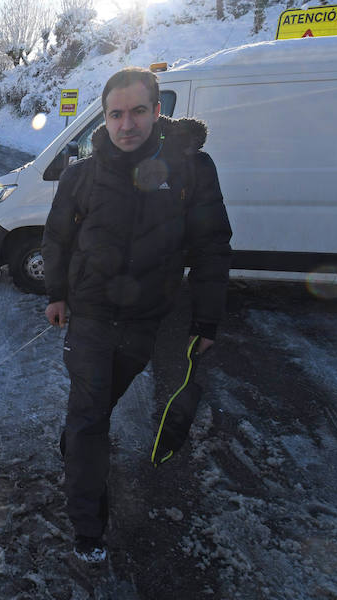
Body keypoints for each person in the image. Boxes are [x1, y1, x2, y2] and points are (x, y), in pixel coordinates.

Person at [41, 67, 232, 563]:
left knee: (98, 408)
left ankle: (77, 448)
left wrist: (205, 322)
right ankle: (89, 528)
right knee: (89, 417)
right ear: (104, 119)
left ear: (157, 111)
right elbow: (57, 238)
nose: (127, 125)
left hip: (146, 320)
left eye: (138, 111)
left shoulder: (191, 170)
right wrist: (56, 294)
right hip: (90, 317)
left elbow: (212, 247)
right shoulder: (82, 175)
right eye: (116, 114)